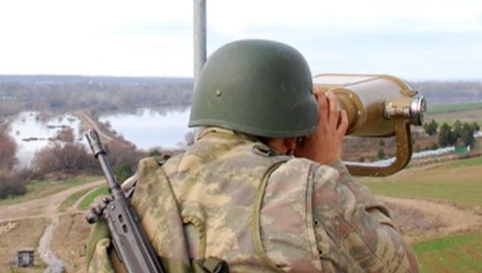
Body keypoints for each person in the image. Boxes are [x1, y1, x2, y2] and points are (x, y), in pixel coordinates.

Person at [86, 39, 419, 272]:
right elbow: (399, 267)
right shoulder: (305, 189)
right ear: (287, 129)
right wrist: (330, 165)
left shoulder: (135, 192)